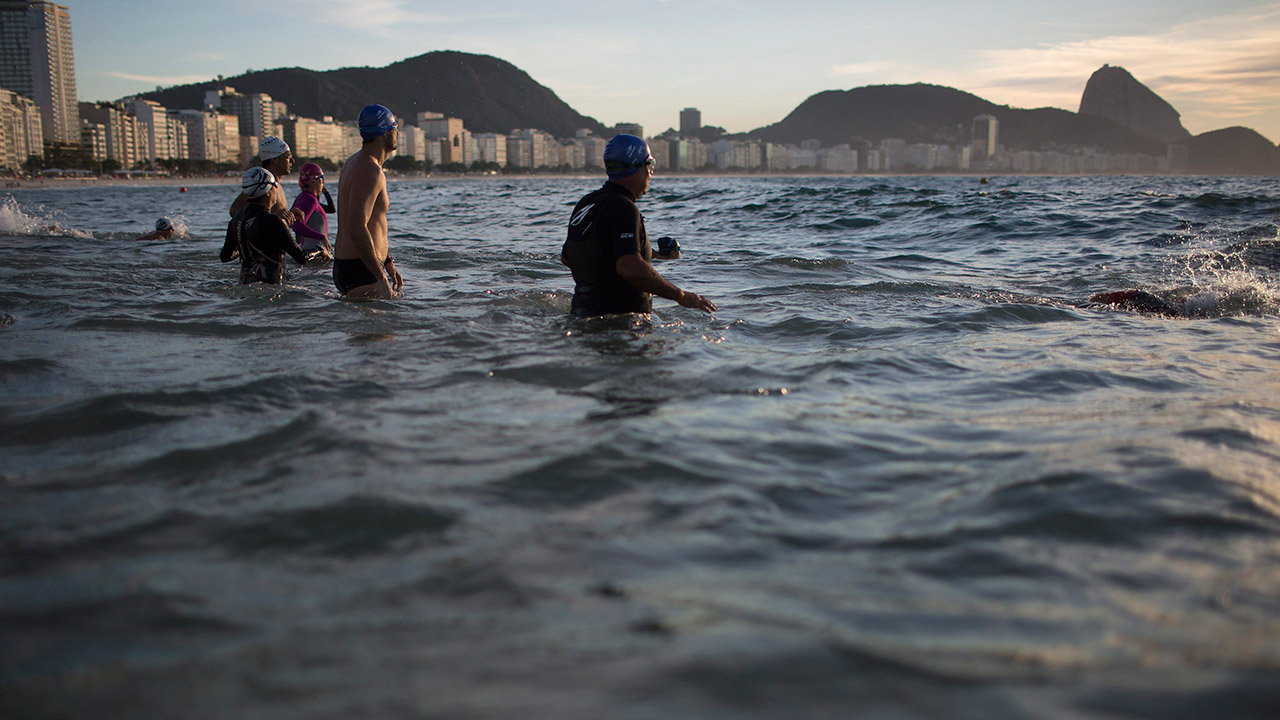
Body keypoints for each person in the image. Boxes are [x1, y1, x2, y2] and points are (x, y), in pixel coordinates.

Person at [560, 134, 716, 317]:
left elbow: (569, 257)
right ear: (636, 166)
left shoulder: (587, 203)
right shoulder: (624, 209)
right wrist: (680, 296)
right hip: (618, 322)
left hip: (581, 313)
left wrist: (650, 254)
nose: (651, 172)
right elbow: (629, 266)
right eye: (650, 164)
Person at [332, 104, 403, 299]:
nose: (397, 133)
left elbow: (369, 222)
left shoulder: (353, 162)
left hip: (349, 266)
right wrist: (381, 277)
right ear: (384, 132)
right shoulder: (370, 170)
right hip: (362, 270)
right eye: (395, 127)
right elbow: (356, 227)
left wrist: (387, 262)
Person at [220, 167, 310, 285]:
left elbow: (225, 257)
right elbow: (302, 258)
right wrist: (319, 251)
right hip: (270, 287)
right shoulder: (272, 221)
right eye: (274, 187)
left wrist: (245, 247)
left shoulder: (237, 219)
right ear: (268, 192)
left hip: (244, 284)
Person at [229, 136, 298, 226]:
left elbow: (274, 214)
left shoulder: (276, 184)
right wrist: (273, 216)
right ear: (275, 159)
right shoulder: (262, 185)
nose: (292, 161)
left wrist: (290, 215)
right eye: (288, 156)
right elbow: (234, 211)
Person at [290, 162, 335, 261]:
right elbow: (297, 226)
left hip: (307, 252)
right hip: (315, 255)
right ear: (313, 180)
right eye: (321, 178)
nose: (323, 182)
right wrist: (321, 237)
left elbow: (290, 222)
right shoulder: (311, 200)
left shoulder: (301, 197)